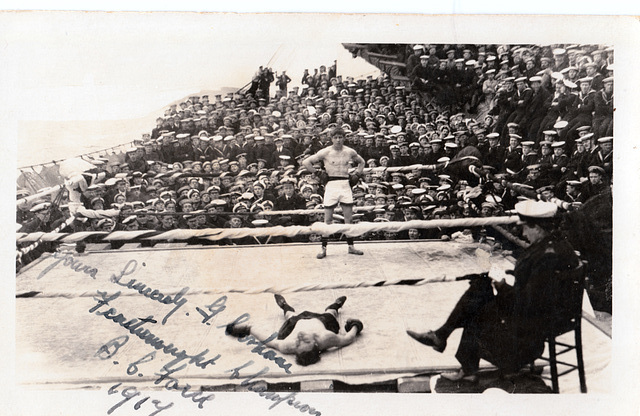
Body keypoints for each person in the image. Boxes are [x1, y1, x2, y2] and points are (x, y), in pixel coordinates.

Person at [406, 199, 580, 382]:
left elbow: (529, 301)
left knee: (476, 308)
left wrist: (502, 286)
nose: (522, 232)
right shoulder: (553, 244)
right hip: (542, 311)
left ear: (537, 227)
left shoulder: (547, 255)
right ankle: (445, 340)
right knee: (480, 287)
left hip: (535, 319)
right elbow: (535, 285)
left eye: (525, 228)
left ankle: (453, 351)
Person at [226, 294, 363, 366]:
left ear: (295, 349)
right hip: (321, 322)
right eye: (305, 341)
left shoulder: (288, 346)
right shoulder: (327, 338)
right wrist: (356, 326)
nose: (299, 338)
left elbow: (269, 341)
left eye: (297, 343)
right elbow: (348, 338)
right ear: (316, 344)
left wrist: (249, 329)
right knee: (331, 313)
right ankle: (336, 305)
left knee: (290, 317)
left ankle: (285, 306)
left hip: (296, 323)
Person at [302, 127, 366, 259]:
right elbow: (306, 162)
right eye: (335, 137)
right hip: (331, 185)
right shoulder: (326, 151)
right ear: (331, 139)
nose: (338, 140)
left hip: (345, 184)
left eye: (340, 137)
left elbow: (362, 162)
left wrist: (357, 175)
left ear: (344, 138)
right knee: (328, 219)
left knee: (348, 218)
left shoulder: (349, 151)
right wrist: (318, 173)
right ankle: (323, 249)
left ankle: (351, 247)